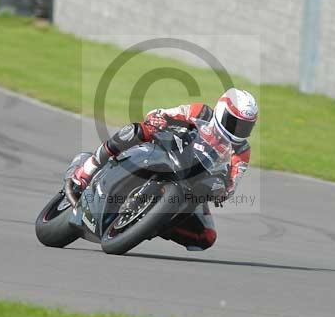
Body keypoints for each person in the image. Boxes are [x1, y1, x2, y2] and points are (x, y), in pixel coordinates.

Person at [70, 89, 258, 251]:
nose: (239, 130)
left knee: (206, 237)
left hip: (194, 183)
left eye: (245, 126)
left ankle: (154, 223)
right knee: (138, 131)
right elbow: (163, 113)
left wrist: (221, 191)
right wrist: (158, 119)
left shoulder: (242, 150)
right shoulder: (201, 112)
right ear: (221, 110)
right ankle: (90, 166)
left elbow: (232, 183)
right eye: (235, 122)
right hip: (167, 152)